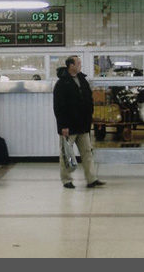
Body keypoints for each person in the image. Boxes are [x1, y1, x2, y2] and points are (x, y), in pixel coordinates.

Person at [53, 56, 105, 189]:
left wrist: (90, 116)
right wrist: (63, 126)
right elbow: (58, 107)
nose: (80, 65)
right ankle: (66, 180)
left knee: (87, 152)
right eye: (78, 63)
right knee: (66, 154)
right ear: (71, 65)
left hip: (83, 125)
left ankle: (91, 179)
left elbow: (89, 99)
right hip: (69, 126)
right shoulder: (62, 84)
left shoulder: (83, 80)